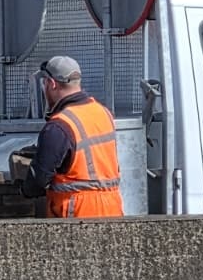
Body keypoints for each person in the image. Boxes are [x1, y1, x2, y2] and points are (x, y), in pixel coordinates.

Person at [14, 56, 123, 218]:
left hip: (78, 213)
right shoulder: (103, 113)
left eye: (44, 84)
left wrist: (22, 188)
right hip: (112, 208)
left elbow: (38, 181)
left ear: (52, 83)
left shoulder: (59, 126)